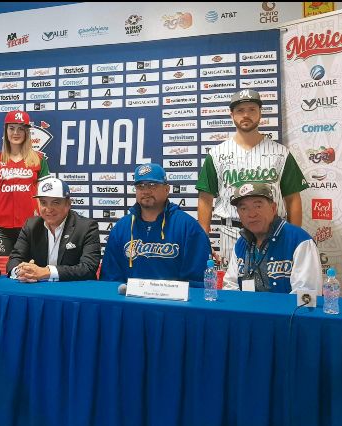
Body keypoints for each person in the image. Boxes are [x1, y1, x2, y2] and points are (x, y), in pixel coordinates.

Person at [196, 89, 308, 265]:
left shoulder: (280, 153)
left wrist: (294, 236)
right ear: (232, 114)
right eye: (240, 110)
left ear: (260, 113)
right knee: (233, 288)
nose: (246, 115)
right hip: (231, 233)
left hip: (275, 233)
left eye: (252, 109)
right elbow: (205, 198)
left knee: (275, 286)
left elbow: (293, 198)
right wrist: (203, 241)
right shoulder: (216, 154)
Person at [100, 163, 211, 286]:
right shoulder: (122, 227)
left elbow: (198, 281)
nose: (146, 191)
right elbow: (110, 279)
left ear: (166, 189)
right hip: (130, 303)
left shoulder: (187, 227)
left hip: (174, 303)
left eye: (152, 185)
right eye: (140, 186)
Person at [223, 183, 322, 293]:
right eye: (244, 208)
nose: (251, 214)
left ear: (273, 208)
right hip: (247, 309)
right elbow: (230, 286)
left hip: (286, 310)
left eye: (258, 206)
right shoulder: (241, 243)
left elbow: (307, 294)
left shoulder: (299, 240)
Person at [0, 110, 51, 256]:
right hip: (1, 228)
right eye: (12, 128)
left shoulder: (39, 159)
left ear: (27, 132)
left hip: (31, 227)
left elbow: (43, 199)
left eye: (21, 128)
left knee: (30, 269)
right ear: (6, 130)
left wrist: (47, 225)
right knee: (3, 269)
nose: (16, 132)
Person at [7, 177, 100, 282]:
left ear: (68, 204)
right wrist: (21, 272)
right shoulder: (31, 225)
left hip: (74, 292)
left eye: (55, 203)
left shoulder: (87, 227)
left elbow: (88, 268)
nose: (49, 209)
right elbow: (15, 259)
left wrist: (46, 272)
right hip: (38, 290)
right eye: (43, 203)